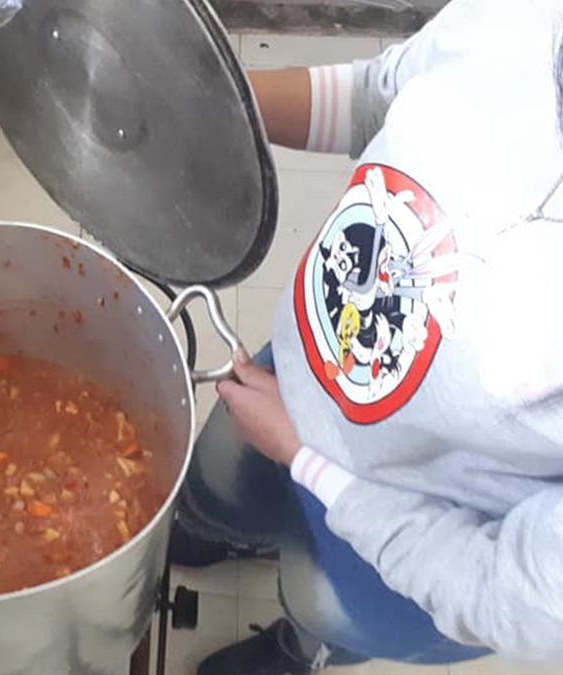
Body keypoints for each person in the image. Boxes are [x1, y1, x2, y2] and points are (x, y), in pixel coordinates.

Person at [173, 1, 563, 672]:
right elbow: (379, 93)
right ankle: (234, 535)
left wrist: (307, 458)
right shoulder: (532, 16)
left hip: (418, 539)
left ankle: (303, 647)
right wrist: (214, 97)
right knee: (216, 493)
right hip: (301, 374)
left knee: (322, 604)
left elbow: (505, 591)